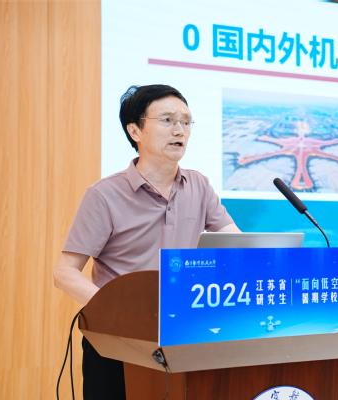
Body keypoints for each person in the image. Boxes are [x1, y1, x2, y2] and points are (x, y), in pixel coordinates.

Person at [53, 84, 240, 399]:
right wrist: (118, 312)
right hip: (116, 340)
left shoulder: (198, 186)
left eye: (186, 121)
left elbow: (238, 243)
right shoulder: (105, 195)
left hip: (180, 333)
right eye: (167, 120)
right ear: (135, 131)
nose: (179, 130)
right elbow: (64, 272)